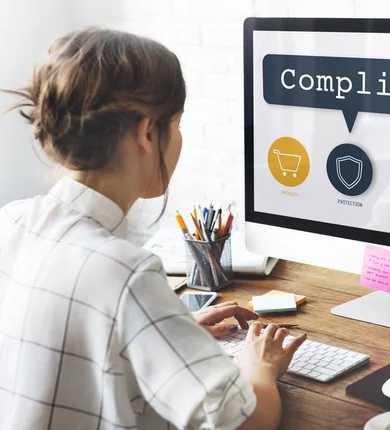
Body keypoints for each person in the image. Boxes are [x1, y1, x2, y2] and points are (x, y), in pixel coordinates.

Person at [0, 27, 305, 430]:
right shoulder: (126, 272)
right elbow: (246, 422)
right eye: (176, 124)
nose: (178, 138)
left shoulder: (11, 220)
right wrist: (259, 366)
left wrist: (164, 329)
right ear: (146, 132)